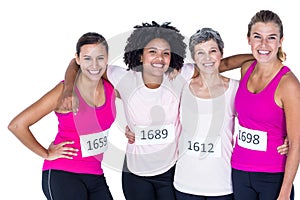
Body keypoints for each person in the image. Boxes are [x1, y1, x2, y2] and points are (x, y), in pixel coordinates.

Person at [61, 22, 254, 200]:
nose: (159, 59)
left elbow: (224, 64)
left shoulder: (180, 75)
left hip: (170, 172)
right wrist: (68, 89)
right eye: (152, 51)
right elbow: (78, 64)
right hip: (135, 174)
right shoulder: (122, 78)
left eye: (166, 53)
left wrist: (262, 56)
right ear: (140, 55)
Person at [8, 32, 116, 200]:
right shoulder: (65, 91)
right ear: (78, 59)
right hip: (63, 173)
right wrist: (46, 154)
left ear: (107, 58)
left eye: (100, 58)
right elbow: (17, 125)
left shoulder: (112, 88)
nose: (94, 64)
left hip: (95, 175)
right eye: (87, 58)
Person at [229, 10, 300, 200]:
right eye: (257, 37)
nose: (263, 44)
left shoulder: (289, 84)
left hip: (273, 176)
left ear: (280, 41)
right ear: (248, 39)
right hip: (239, 171)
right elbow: (216, 64)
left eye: (271, 38)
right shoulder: (246, 68)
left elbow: (295, 142)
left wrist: (285, 192)